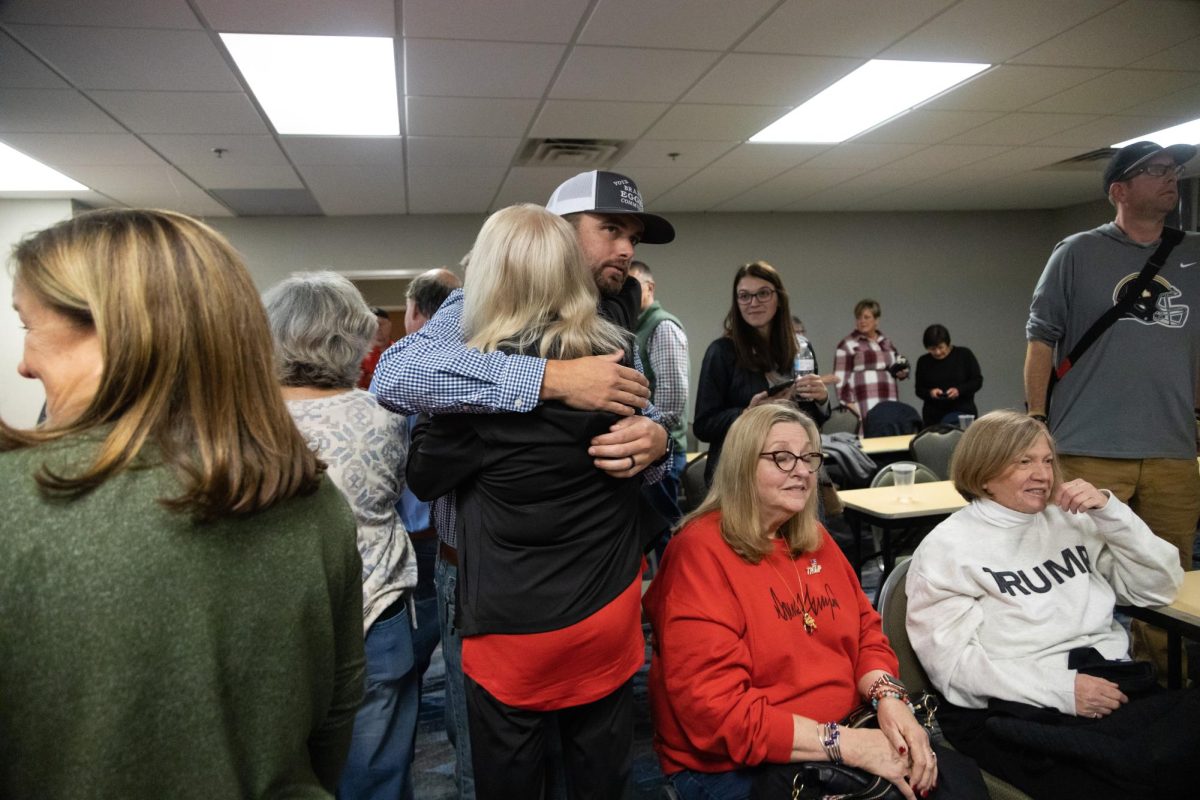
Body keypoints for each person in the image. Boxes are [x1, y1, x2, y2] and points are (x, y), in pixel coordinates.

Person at [0, 209, 364, 799]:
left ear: (112, 330)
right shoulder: (311, 498)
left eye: (28, 326)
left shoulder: (15, 501)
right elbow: (334, 717)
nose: (24, 361)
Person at [372, 169, 674, 800]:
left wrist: (658, 445)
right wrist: (553, 380)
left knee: (588, 758)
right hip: (484, 575)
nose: (626, 249)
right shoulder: (476, 304)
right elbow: (395, 379)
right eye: (610, 230)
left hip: (598, 573)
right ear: (561, 236)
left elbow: (648, 427)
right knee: (486, 762)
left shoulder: (618, 319)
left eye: (634, 237)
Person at [645, 404, 983, 800]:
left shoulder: (814, 539)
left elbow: (866, 634)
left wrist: (889, 699)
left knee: (958, 783)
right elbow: (717, 714)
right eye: (782, 457)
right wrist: (851, 747)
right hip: (737, 765)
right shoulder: (699, 553)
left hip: (844, 732)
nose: (803, 471)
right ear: (740, 466)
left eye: (809, 457)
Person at [906, 410, 1195, 799]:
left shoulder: (1068, 520)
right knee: (1140, 774)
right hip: (1015, 704)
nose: (1042, 474)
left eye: (1046, 460)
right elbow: (955, 669)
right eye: (1024, 462)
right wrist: (1061, 690)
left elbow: (1157, 588)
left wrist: (1110, 513)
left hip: (1109, 684)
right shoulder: (947, 548)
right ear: (984, 473)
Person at [1023, 140, 1200, 674]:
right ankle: (1073, 677)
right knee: (1069, 570)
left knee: (1168, 578)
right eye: (1157, 171)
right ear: (1118, 190)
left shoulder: (1195, 253)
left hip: (1172, 448)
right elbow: (1041, 340)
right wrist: (1036, 425)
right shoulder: (1076, 252)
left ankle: (1163, 683)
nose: (1172, 177)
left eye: (1174, 169)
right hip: (1088, 446)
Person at [264, 271, 419, 800]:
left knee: (283, 773)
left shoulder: (243, 422)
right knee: (376, 776)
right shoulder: (386, 416)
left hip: (275, 621)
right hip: (375, 613)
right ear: (355, 335)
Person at [693, 260, 829, 486]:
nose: (753, 303)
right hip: (740, 477)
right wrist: (748, 414)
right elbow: (703, 426)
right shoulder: (722, 351)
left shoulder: (801, 348)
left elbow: (811, 422)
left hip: (794, 470)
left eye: (763, 294)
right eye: (744, 296)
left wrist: (822, 399)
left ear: (779, 299)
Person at [396, 268, 462, 693]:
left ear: (417, 311)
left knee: (424, 620)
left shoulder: (405, 368)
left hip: (421, 528)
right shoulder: (473, 359)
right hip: (452, 528)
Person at [628, 259, 689, 525]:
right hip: (645, 449)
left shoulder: (661, 327)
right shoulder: (635, 327)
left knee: (664, 532)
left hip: (662, 452)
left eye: (632, 286)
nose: (625, 294)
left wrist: (649, 436)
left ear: (649, 287)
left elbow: (672, 403)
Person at [834, 298, 909, 418]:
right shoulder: (848, 344)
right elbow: (840, 380)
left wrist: (902, 372)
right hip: (863, 403)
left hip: (888, 399)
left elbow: (896, 367)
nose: (862, 321)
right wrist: (850, 406)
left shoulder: (886, 342)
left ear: (876, 320)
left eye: (866, 317)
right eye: (858, 318)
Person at [914, 324, 982, 427]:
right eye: (932, 349)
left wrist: (959, 390)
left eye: (941, 347)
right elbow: (919, 389)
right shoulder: (923, 361)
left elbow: (977, 381)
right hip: (933, 417)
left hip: (962, 413)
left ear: (948, 343)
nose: (938, 352)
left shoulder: (964, 355)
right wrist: (930, 393)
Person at [358, 306, 391, 389]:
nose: (377, 329)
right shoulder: (357, 356)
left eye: (381, 324)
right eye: (372, 325)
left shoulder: (401, 352)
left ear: (389, 325)